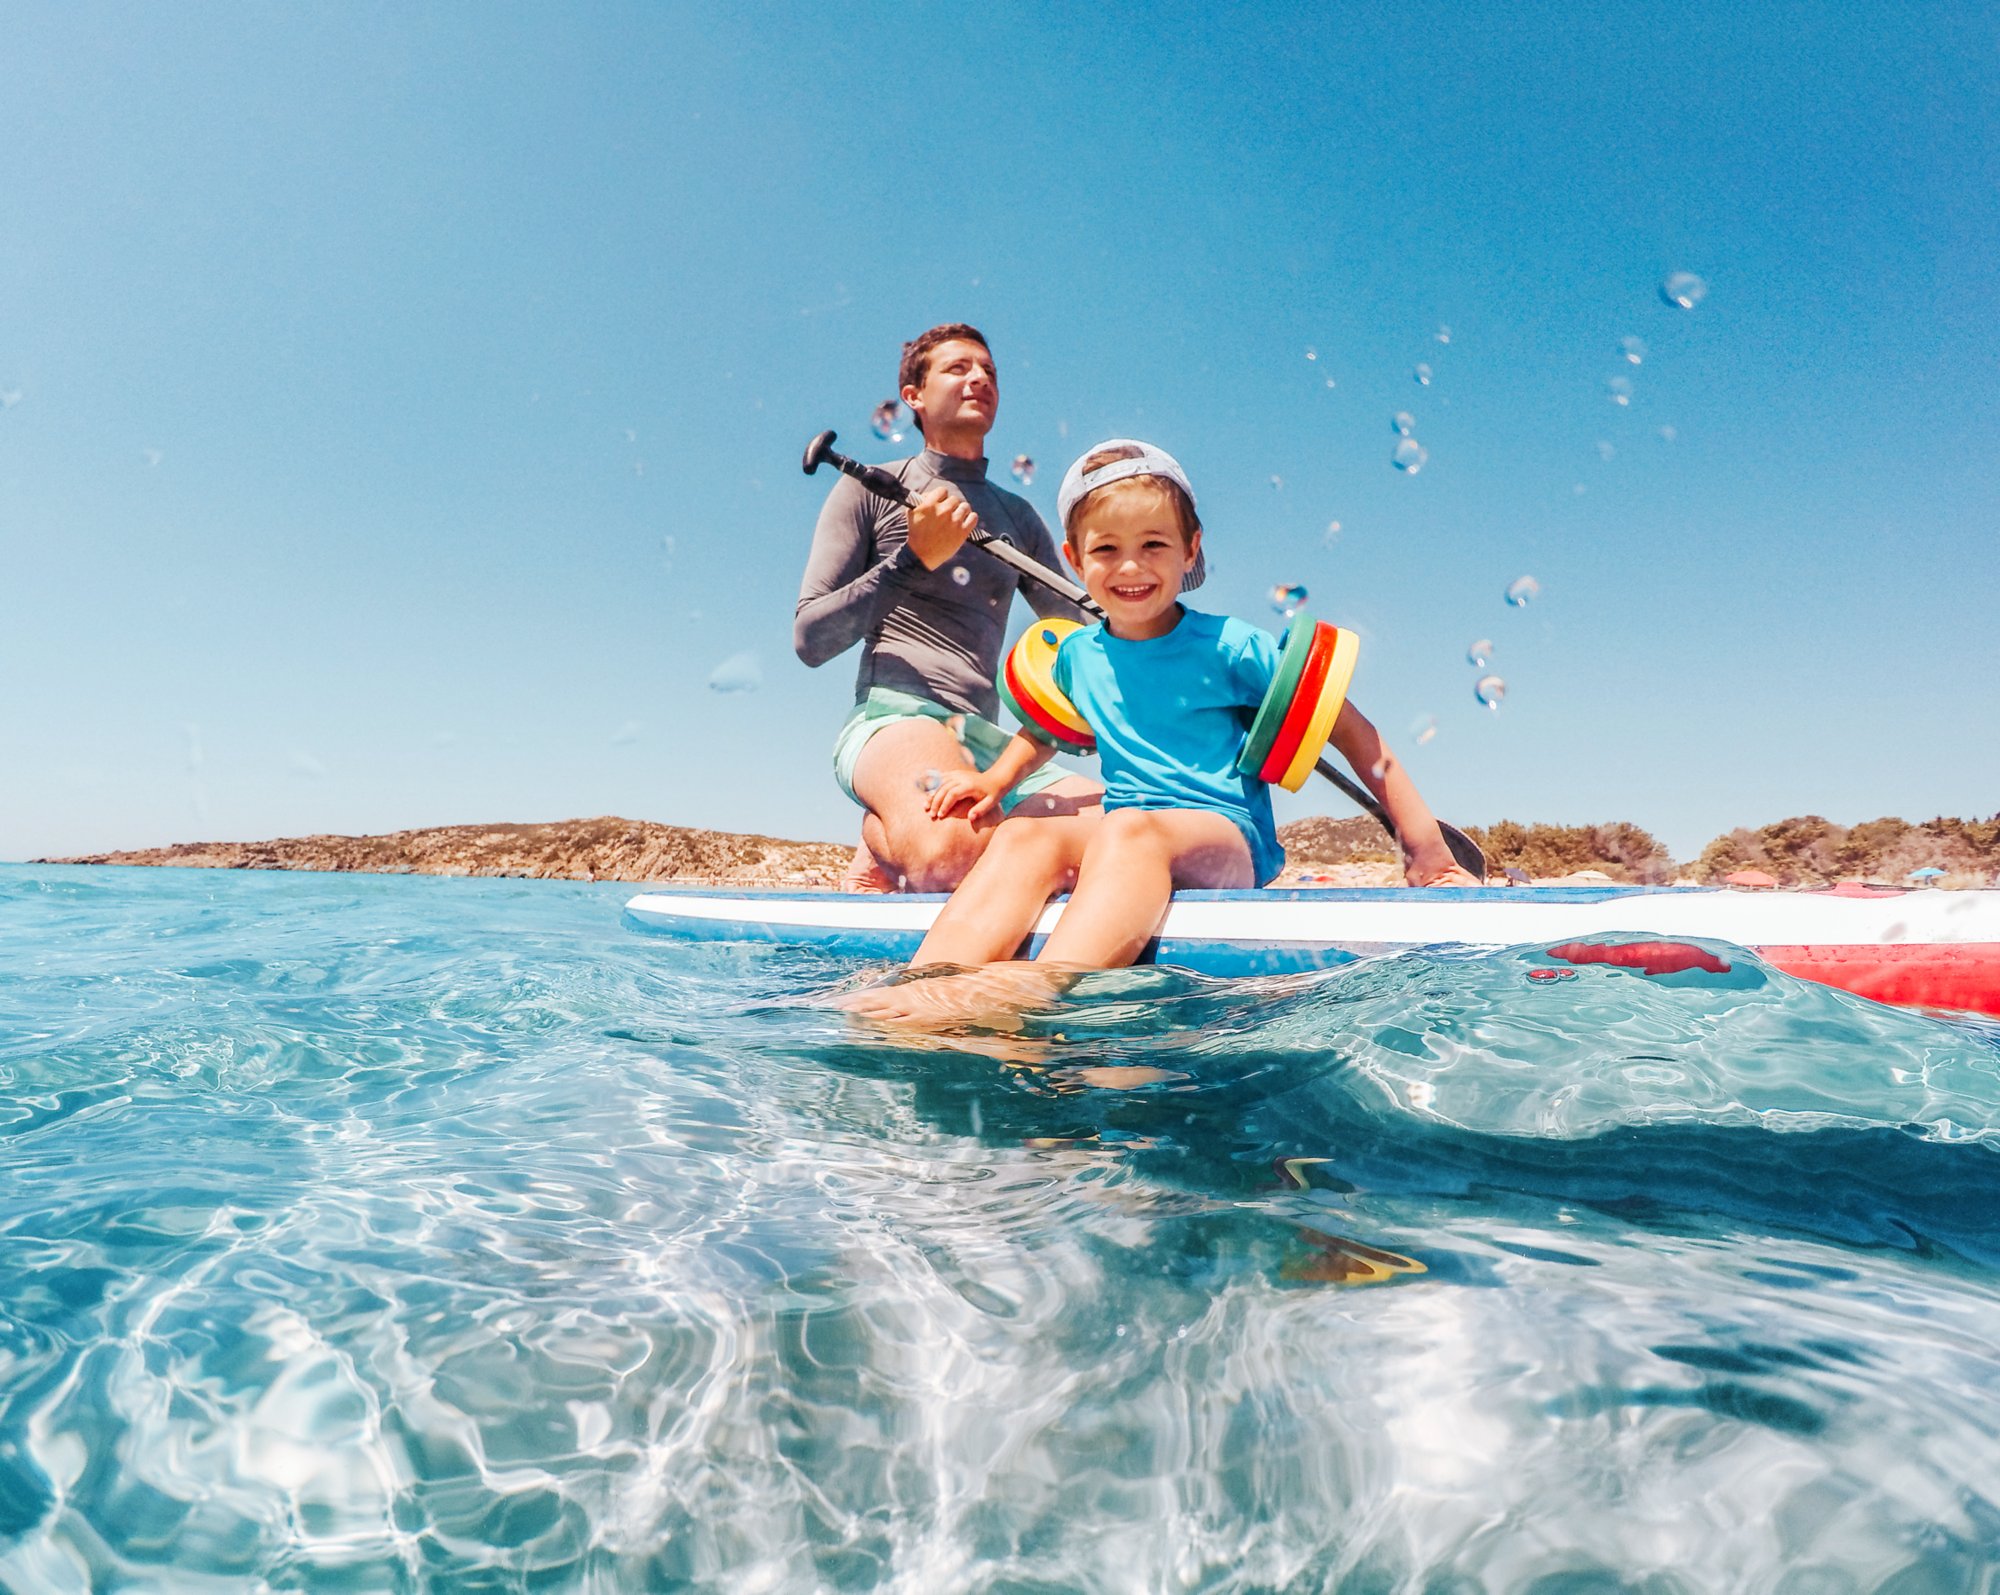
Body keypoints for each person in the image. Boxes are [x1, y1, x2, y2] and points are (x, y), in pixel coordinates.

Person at [851, 440, 1478, 1015]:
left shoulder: (1232, 647)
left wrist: (1428, 854)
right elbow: (1046, 730)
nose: (1131, 566)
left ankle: (1030, 992)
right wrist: (994, 780)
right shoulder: (1078, 655)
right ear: (1073, 559)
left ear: (1190, 550)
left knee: (1129, 830)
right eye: (1106, 549)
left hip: (1226, 838)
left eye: (1153, 544)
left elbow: (1354, 735)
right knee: (1026, 834)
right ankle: (926, 982)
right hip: (1131, 826)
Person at [794, 324, 1102, 892]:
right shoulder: (870, 489)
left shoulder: (1020, 518)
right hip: (895, 721)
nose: (980, 377)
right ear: (913, 396)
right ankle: (891, 834)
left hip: (990, 744)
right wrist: (914, 558)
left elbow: (1084, 636)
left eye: (988, 371)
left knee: (1131, 836)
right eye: (958, 368)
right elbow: (810, 639)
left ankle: (931, 833)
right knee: (957, 852)